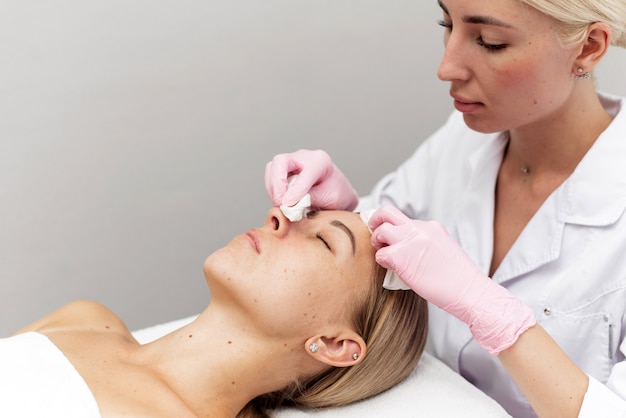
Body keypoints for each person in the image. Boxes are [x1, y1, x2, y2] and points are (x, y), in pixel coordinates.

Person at [264, 1, 626, 417]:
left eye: (489, 42)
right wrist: (347, 211)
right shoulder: (465, 138)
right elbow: (381, 249)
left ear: (588, 48)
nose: (447, 67)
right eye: (446, 24)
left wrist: (495, 315)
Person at [3, 208, 428, 418]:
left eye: (322, 240)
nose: (279, 216)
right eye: (304, 213)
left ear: (335, 343)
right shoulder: (83, 318)